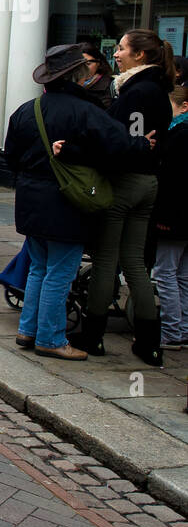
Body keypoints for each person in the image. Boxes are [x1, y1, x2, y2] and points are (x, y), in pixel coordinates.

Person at [4, 44, 151, 361]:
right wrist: (143, 144)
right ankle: (50, 338)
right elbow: (119, 146)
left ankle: (28, 330)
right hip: (66, 201)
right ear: (78, 75)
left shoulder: (26, 110)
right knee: (59, 272)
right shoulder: (85, 111)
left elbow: (11, 158)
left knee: (39, 269)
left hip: (32, 198)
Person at [73, 28, 173, 366]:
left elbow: (114, 139)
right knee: (134, 262)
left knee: (105, 261)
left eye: (121, 48)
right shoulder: (158, 89)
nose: (115, 53)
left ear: (140, 55)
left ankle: (92, 336)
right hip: (149, 182)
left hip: (124, 182)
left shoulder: (136, 91)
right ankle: (149, 344)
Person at [152, 86, 188, 351]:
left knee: (166, 273)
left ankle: (172, 332)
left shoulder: (179, 135)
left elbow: (171, 181)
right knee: (183, 275)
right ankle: (183, 329)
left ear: (183, 107)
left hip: (174, 216)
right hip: (183, 217)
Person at [78, 42, 114, 109]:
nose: (83, 68)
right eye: (79, 64)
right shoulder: (68, 85)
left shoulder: (111, 86)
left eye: (88, 64)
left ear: (99, 63)